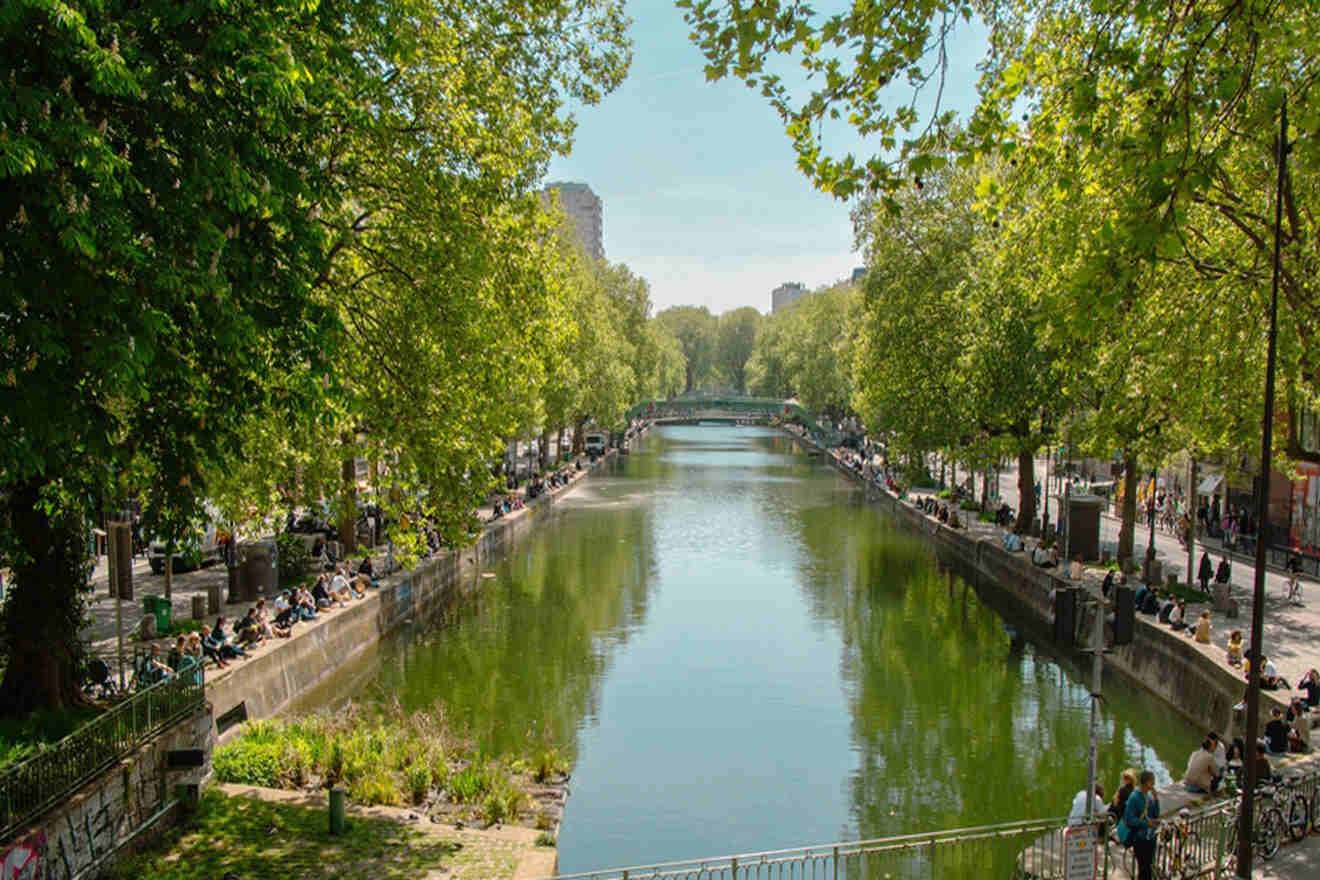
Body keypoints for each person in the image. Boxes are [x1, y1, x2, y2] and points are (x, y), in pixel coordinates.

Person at [1119, 770, 1161, 880]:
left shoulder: (1149, 797)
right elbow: (1129, 819)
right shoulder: (1134, 798)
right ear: (1147, 782)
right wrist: (1146, 823)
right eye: (1153, 782)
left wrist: (1156, 800)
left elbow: (1155, 815)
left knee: (1149, 866)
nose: (1154, 785)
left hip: (1150, 837)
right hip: (1139, 838)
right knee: (1143, 868)